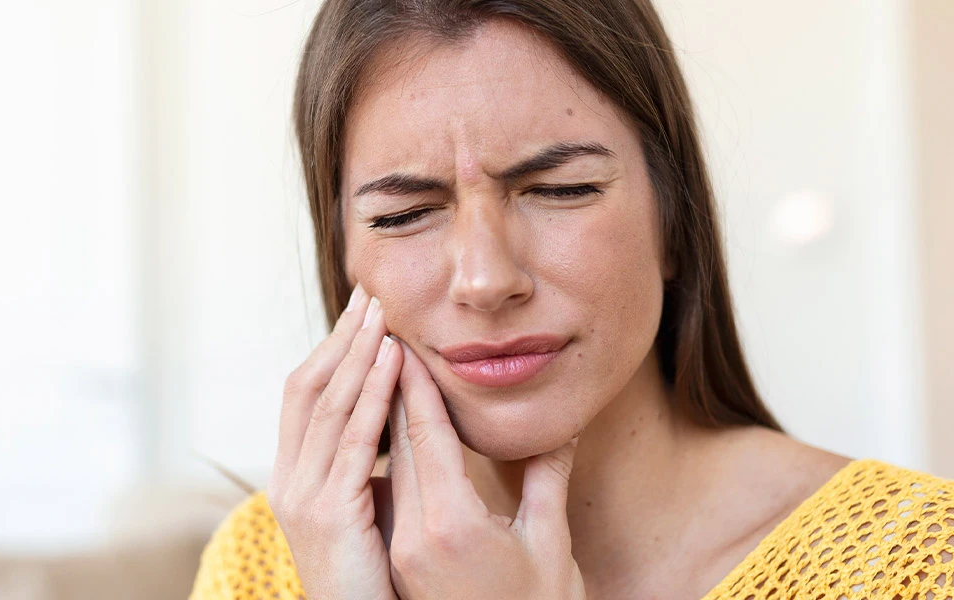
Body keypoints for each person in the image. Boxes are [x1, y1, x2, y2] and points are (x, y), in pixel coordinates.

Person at [189, 1, 954, 598]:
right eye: (403, 214)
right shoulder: (269, 565)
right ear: (347, 258)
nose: (486, 280)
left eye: (561, 190)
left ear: (675, 222)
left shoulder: (918, 563)